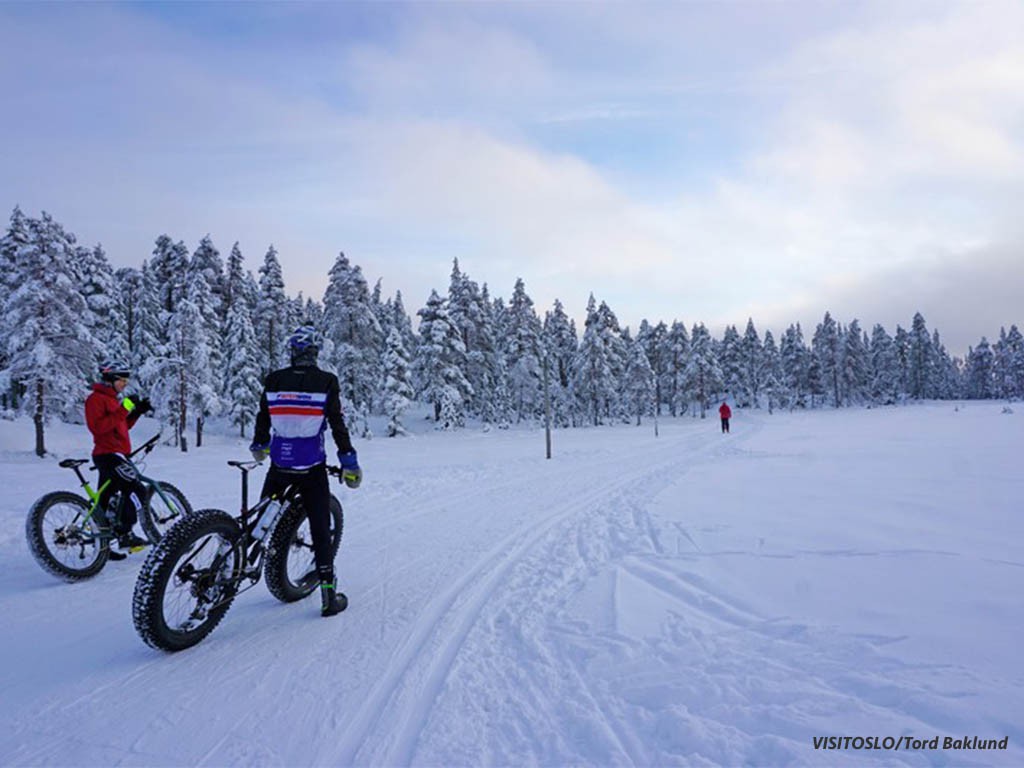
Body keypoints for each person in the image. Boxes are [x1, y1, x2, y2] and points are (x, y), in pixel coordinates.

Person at [249, 325, 362, 618]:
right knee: (320, 528)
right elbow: (337, 424)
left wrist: (259, 444)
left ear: (292, 352)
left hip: (279, 464)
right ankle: (328, 595)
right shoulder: (326, 381)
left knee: (261, 520)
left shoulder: (273, 379)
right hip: (311, 467)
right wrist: (349, 462)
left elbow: (264, 417)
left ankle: (236, 565)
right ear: (314, 353)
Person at [84, 361, 154, 558]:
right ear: (109, 380)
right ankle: (125, 534)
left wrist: (137, 412)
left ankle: (104, 546)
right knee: (138, 489)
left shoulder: (112, 400)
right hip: (109, 454)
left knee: (107, 501)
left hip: (115, 454)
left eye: (126, 379)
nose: (125, 383)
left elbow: (121, 426)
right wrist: (125, 408)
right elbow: (98, 428)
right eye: (121, 380)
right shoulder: (96, 399)